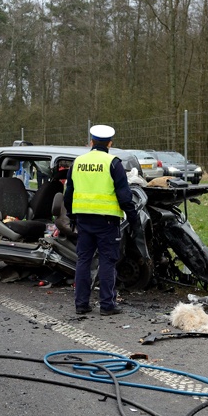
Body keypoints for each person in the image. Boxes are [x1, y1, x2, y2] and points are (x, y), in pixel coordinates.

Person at [63, 124, 139, 316]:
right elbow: (124, 197)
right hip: (106, 222)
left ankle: (81, 304)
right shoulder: (113, 163)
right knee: (107, 261)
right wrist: (134, 220)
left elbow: (68, 194)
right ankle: (107, 305)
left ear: (91, 142)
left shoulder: (77, 163)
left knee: (83, 261)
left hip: (83, 220)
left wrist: (72, 217)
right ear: (110, 144)